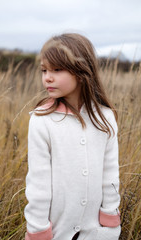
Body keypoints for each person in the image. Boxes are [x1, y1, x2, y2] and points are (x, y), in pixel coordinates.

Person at [24, 33, 121, 240]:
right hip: (57, 233)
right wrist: (38, 232)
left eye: (57, 70)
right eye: (44, 70)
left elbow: (110, 173)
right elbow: (38, 184)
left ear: (82, 71)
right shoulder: (42, 120)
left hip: (98, 233)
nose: (47, 77)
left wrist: (110, 223)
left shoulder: (105, 117)